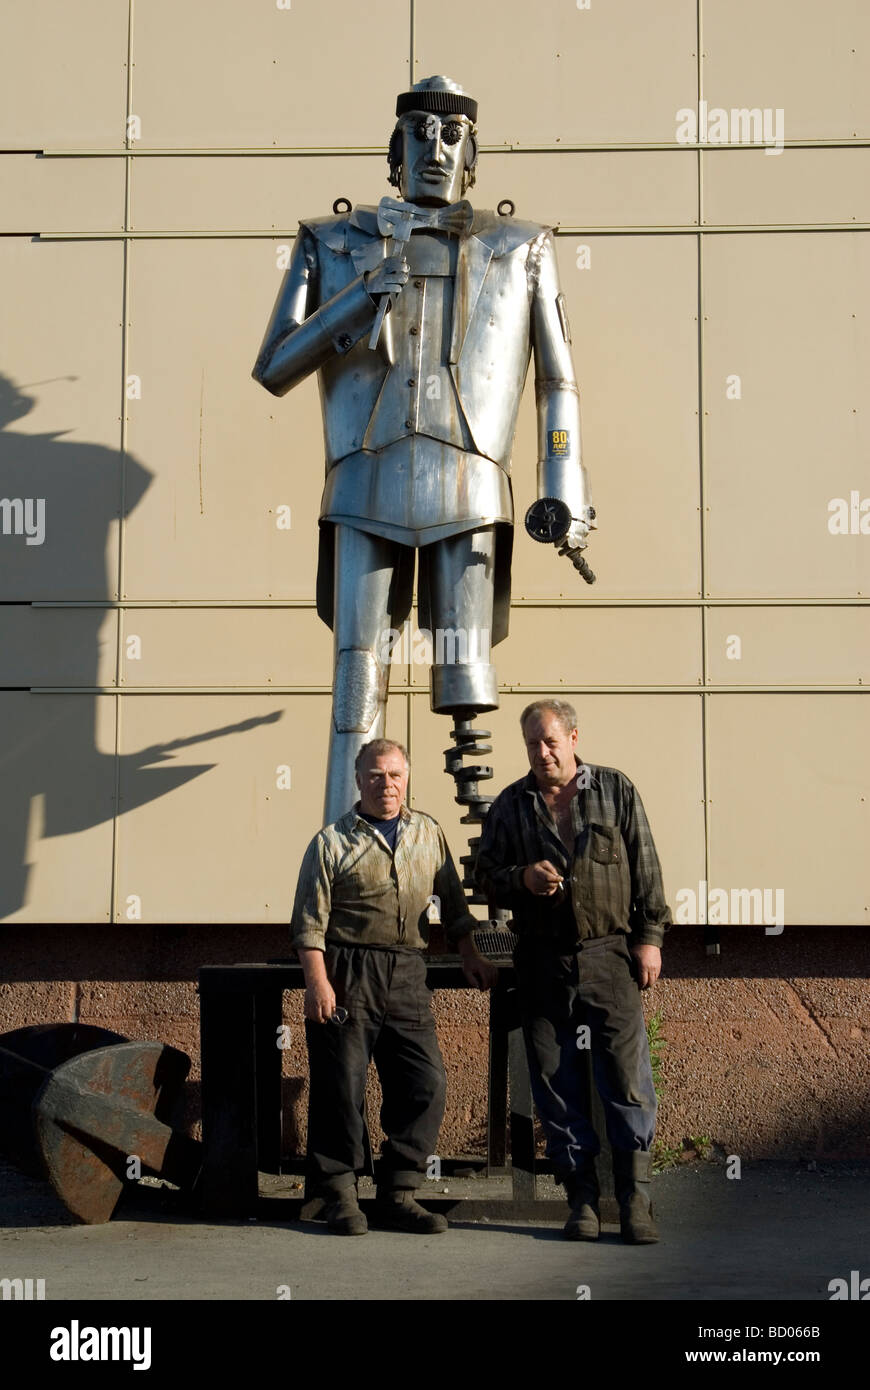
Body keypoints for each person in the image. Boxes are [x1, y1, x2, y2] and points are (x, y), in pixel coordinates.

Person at [252, 75, 596, 824]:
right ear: (394, 148)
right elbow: (274, 365)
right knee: (356, 683)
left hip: (470, 483)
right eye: (420, 132)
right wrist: (354, 300)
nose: (436, 149)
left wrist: (564, 484)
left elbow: (557, 380)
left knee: (466, 673)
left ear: (472, 154)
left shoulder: (522, 247)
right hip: (362, 483)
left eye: (453, 136)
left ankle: (497, 856)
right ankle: (345, 864)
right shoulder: (330, 242)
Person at [475, 700, 671, 1243]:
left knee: (628, 1080)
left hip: (610, 955)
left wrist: (650, 939)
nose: (542, 753)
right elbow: (485, 877)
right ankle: (581, 1199)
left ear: (574, 738)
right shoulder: (511, 805)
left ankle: (636, 1201)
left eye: (551, 742)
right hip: (542, 959)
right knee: (555, 1083)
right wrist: (521, 879)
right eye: (532, 745)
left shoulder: (615, 790)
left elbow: (647, 866)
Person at [291, 737, 498, 1235]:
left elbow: (453, 906)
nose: (388, 784)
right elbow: (308, 923)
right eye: (377, 775)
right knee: (342, 1087)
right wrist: (318, 982)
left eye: (396, 775)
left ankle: (397, 1192)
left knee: (425, 1082)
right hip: (346, 968)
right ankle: (339, 1194)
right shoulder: (331, 841)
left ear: (407, 778)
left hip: (408, 969)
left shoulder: (428, 833)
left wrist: (470, 953)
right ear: (359, 780)